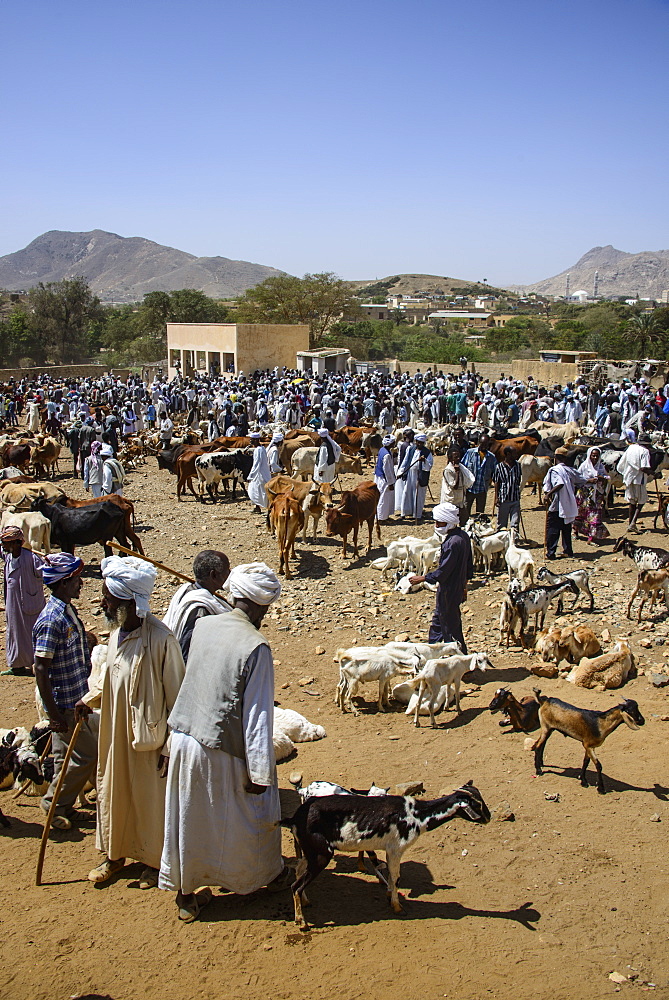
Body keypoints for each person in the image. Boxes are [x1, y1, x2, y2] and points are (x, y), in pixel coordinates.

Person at [159, 562, 292, 922]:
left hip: (186, 738)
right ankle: (261, 876)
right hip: (224, 749)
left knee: (192, 820)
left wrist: (170, 742)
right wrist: (259, 773)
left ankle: (186, 895)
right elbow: (257, 717)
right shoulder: (256, 646)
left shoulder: (204, 625)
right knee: (250, 817)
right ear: (262, 604)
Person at [77, 556, 186, 888]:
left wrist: (170, 747)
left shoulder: (161, 640)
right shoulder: (115, 633)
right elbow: (110, 678)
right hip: (114, 734)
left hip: (149, 738)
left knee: (150, 801)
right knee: (114, 792)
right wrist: (88, 700)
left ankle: (154, 862)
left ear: (129, 601)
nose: (103, 602)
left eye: (110, 598)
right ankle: (114, 855)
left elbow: (179, 699)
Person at [34, 553, 99, 831]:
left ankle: (62, 808)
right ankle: (53, 803)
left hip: (75, 697)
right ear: (62, 583)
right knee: (86, 755)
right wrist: (53, 713)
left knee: (63, 758)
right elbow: (40, 669)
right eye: (75, 579)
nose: (80, 583)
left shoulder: (66, 609)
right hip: (64, 703)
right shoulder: (51, 620)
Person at [409, 503, 473, 653]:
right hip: (456, 587)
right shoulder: (463, 536)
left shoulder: (452, 543)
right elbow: (469, 566)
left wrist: (423, 578)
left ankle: (461, 660)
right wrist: (464, 586)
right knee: (438, 622)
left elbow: (444, 572)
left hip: (448, 590)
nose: (437, 525)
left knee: (450, 627)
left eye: (440, 522)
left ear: (449, 521)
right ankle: (432, 653)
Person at [163, 550, 232, 659]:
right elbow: (187, 650)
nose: (230, 573)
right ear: (213, 575)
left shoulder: (187, 589)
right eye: (227, 570)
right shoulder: (199, 608)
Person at [1, 526, 45, 676]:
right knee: (15, 633)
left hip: (31, 603)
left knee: (33, 634)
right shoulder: (8, 556)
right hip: (13, 604)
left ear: (16, 543)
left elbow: (45, 574)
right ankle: (17, 666)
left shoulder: (32, 559)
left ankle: (38, 665)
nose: (3, 546)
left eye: (5, 543)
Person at [542, 448, 596, 559]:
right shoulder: (570, 470)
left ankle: (551, 553)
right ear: (565, 458)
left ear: (555, 458)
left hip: (557, 504)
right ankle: (568, 551)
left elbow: (559, 484)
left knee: (553, 529)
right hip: (569, 504)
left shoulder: (554, 470)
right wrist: (592, 480)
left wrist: (548, 495)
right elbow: (582, 480)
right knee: (566, 528)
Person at [572, 446, 610, 543]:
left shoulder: (601, 467)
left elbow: (606, 478)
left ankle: (591, 537)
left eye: (597, 456)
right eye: (593, 456)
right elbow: (577, 479)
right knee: (580, 513)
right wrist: (589, 480)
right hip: (584, 493)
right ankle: (575, 531)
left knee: (594, 514)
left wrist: (602, 478)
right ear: (589, 456)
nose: (595, 458)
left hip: (596, 494)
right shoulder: (584, 466)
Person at [617, 438, 653, 533]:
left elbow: (623, 462)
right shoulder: (645, 451)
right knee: (641, 501)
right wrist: (654, 473)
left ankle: (630, 523)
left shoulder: (631, 447)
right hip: (638, 479)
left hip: (629, 477)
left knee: (632, 501)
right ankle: (633, 523)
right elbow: (643, 468)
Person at [396, 433, 433, 521]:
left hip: (420, 475)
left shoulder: (427, 452)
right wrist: (400, 471)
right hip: (409, 474)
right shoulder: (410, 449)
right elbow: (405, 460)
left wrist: (424, 461)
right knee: (406, 492)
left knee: (418, 494)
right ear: (416, 441)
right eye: (418, 442)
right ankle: (404, 512)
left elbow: (429, 466)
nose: (419, 444)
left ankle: (417, 514)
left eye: (421, 443)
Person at [461, 435, 497, 519]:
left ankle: (478, 528)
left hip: (482, 489)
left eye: (485, 444)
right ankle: (464, 528)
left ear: (488, 445)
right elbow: (463, 468)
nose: (483, 446)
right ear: (478, 443)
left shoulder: (491, 457)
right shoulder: (470, 453)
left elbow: (494, 473)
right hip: (470, 488)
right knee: (466, 510)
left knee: (480, 513)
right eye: (481, 443)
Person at [440, 446, 474, 524]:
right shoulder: (448, 470)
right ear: (450, 458)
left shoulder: (460, 467)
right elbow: (454, 486)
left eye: (459, 456)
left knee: (464, 521)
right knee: (451, 522)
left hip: (460, 501)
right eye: (456, 457)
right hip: (451, 501)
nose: (458, 459)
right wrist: (457, 473)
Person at [492, 446, 522, 531]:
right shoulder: (499, 467)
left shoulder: (518, 465)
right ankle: (501, 541)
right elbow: (497, 482)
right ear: (508, 454)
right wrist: (497, 497)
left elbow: (518, 480)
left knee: (515, 523)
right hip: (503, 499)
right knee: (502, 524)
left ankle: (514, 541)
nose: (516, 455)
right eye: (514, 453)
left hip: (515, 498)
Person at [247, 431, 271, 513]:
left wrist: (251, 476)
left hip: (260, 474)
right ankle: (257, 507)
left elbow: (257, 464)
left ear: (256, 440)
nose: (250, 441)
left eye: (252, 439)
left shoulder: (258, 450)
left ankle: (268, 508)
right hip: (261, 473)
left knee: (259, 491)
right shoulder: (262, 448)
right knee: (256, 491)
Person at [374, 435, 396, 523]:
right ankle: (381, 518)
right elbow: (387, 470)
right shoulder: (386, 454)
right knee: (384, 498)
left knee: (384, 498)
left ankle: (384, 516)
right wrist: (390, 483)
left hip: (380, 477)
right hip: (384, 480)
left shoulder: (382, 450)